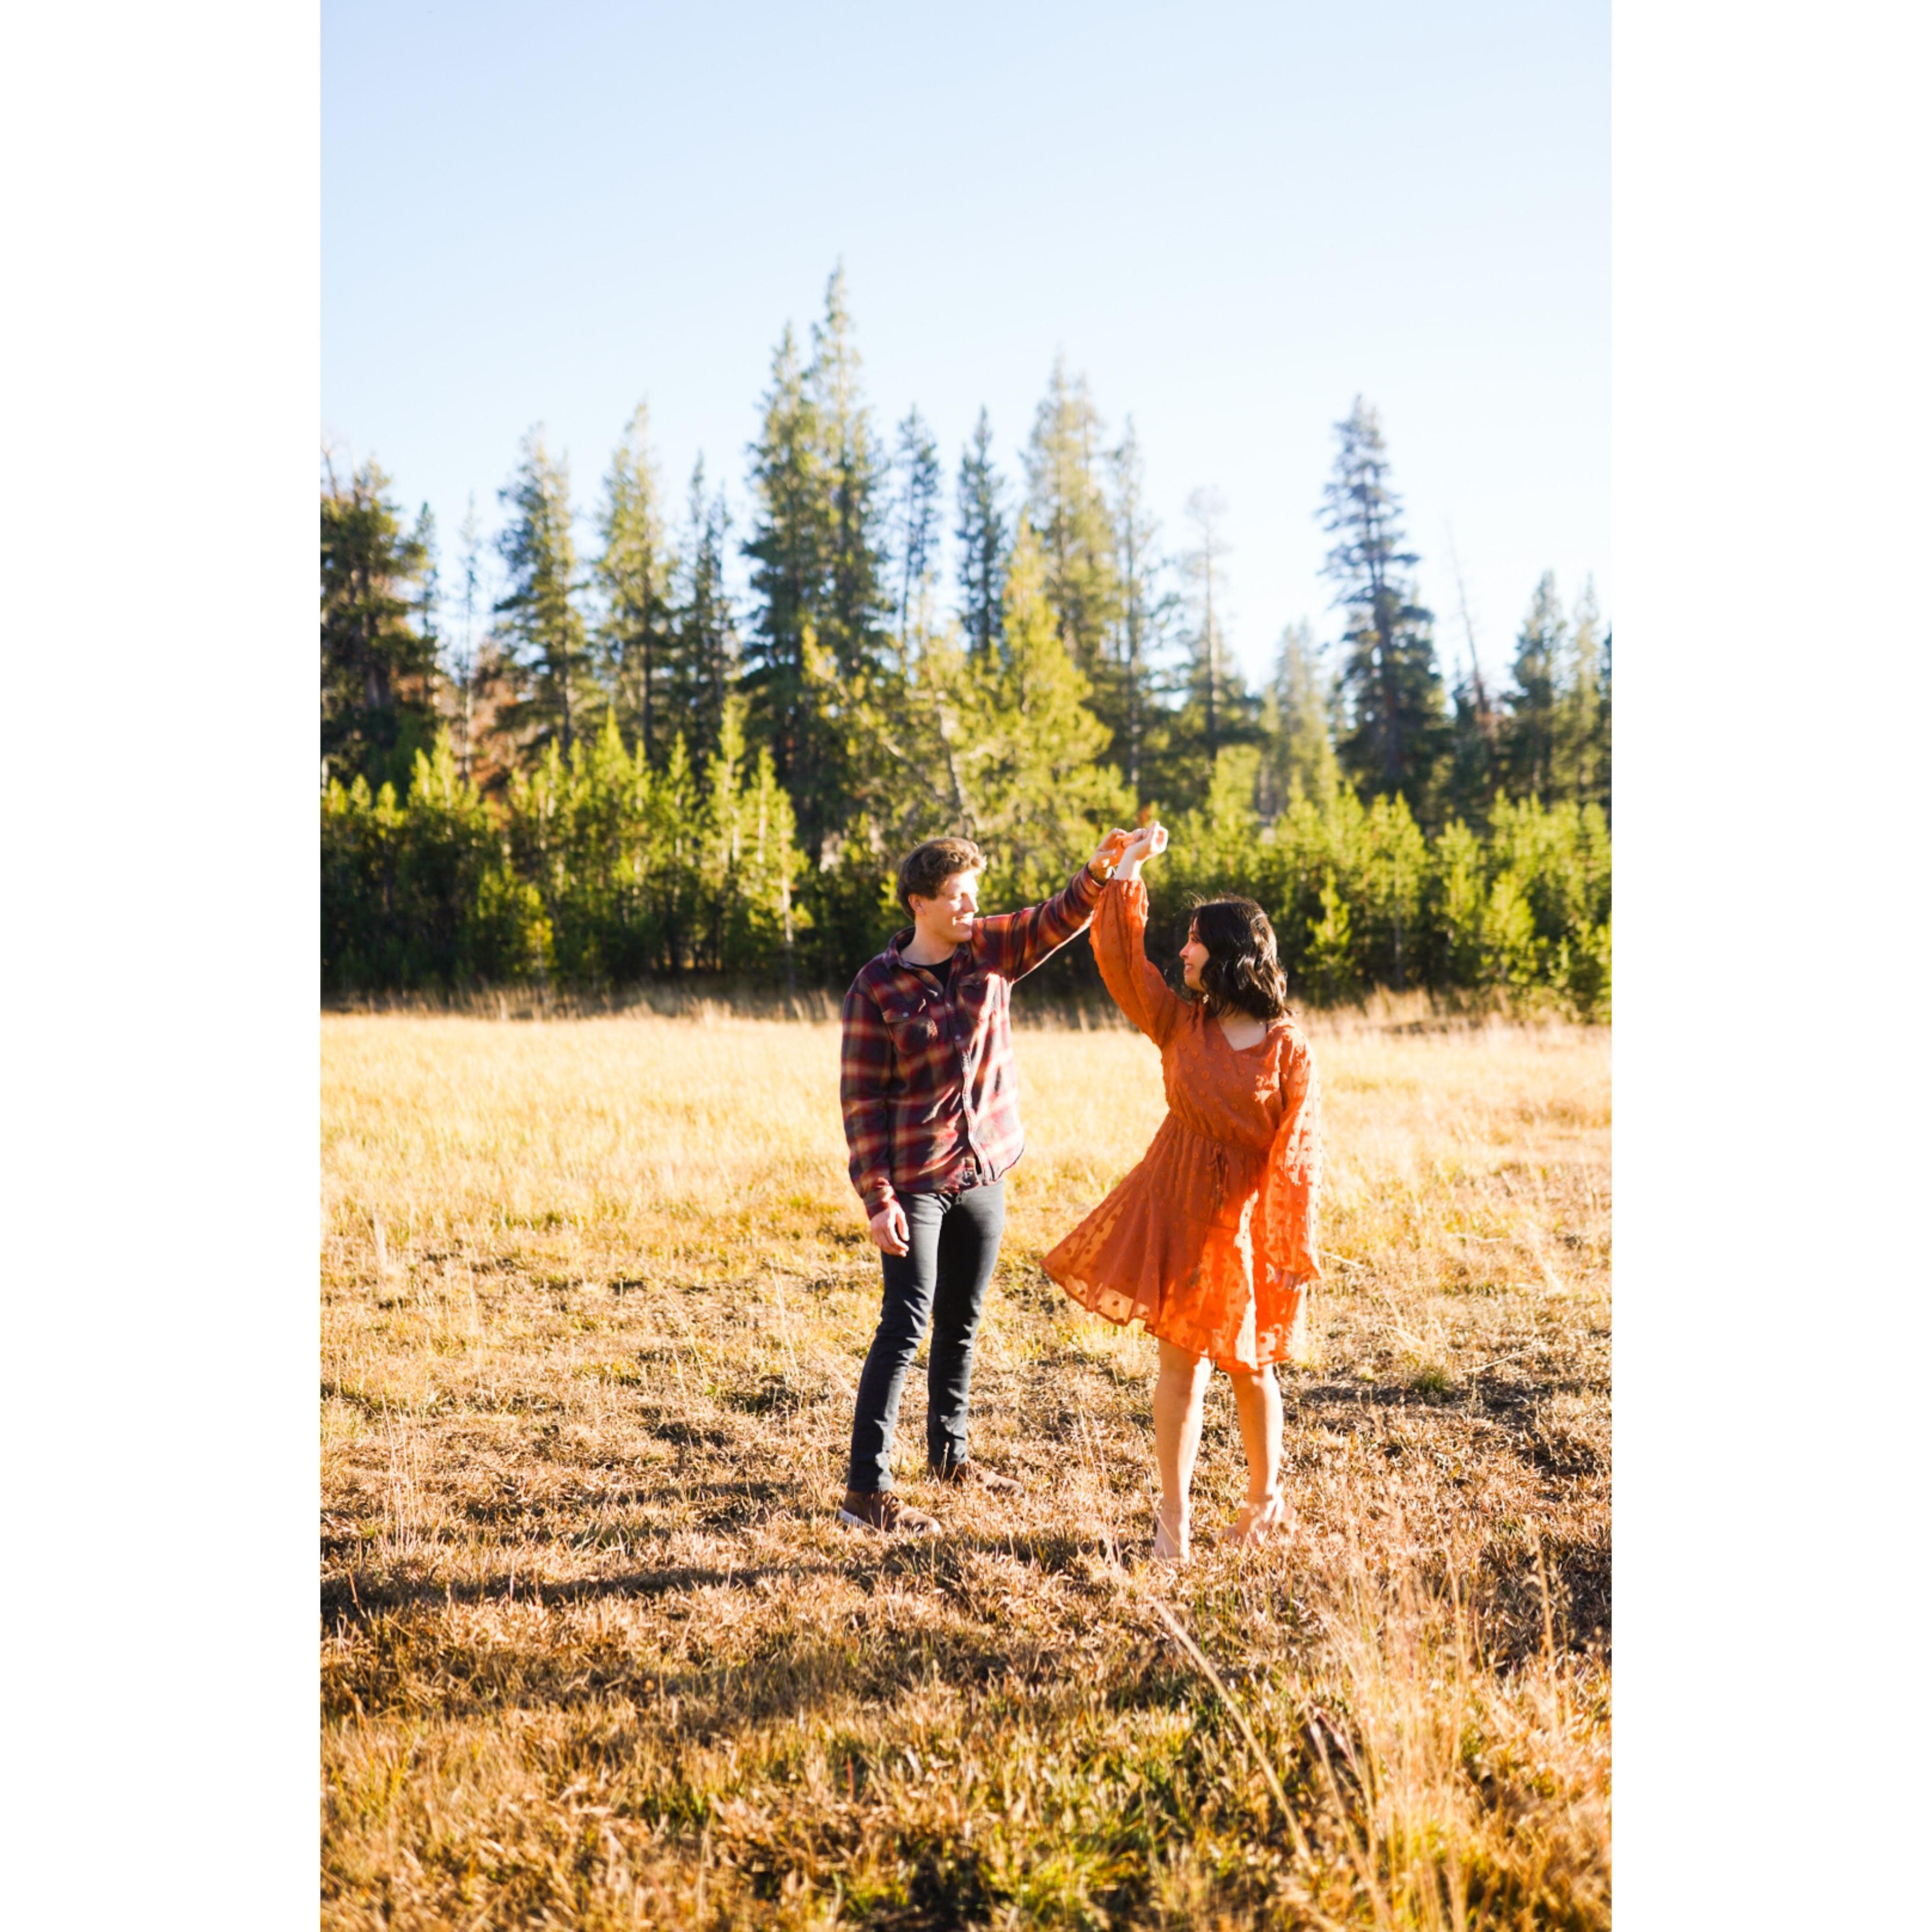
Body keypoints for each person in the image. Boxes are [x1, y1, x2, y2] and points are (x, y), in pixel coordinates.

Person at [838, 827, 1134, 1535]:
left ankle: (951, 1456)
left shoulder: (989, 951)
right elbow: (861, 1102)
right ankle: (865, 1494)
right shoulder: (876, 987)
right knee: (904, 1326)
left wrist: (1098, 872)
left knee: (961, 1324)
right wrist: (878, 1199)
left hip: (985, 1171)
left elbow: (1056, 918)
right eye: (957, 895)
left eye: (975, 893)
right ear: (919, 903)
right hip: (916, 1178)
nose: (972, 906)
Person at [1042, 821, 1322, 1562]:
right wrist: (1130, 868)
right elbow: (1120, 960)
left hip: (1243, 1222)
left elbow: (1300, 1155)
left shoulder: (1287, 1047)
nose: (1184, 953)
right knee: (1180, 1368)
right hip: (1173, 1203)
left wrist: (1287, 1243)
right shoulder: (1178, 1022)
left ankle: (1265, 1503)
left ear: (1230, 956)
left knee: (1251, 1367)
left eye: (1195, 942)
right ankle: (1175, 1520)